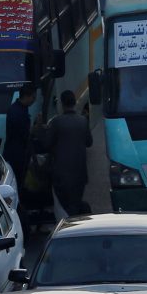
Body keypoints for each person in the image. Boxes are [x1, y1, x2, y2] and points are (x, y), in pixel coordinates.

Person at [40, 90, 92, 218]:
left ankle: (66, 231)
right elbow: (89, 142)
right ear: (74, 102)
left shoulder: (56, 122)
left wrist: (41, 130)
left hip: (60, 174)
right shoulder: (83, 121)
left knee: (63, 207)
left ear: (62, 104)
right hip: (79, 173)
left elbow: (46, 145)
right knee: (75, 205)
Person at [2, 82, 36, 184]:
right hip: (17, 156)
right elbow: (24, 134)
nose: (34, 100)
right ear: (27, 96)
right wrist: (36, 128)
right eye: (33, 97)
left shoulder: (18, 108)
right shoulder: (17, 113)